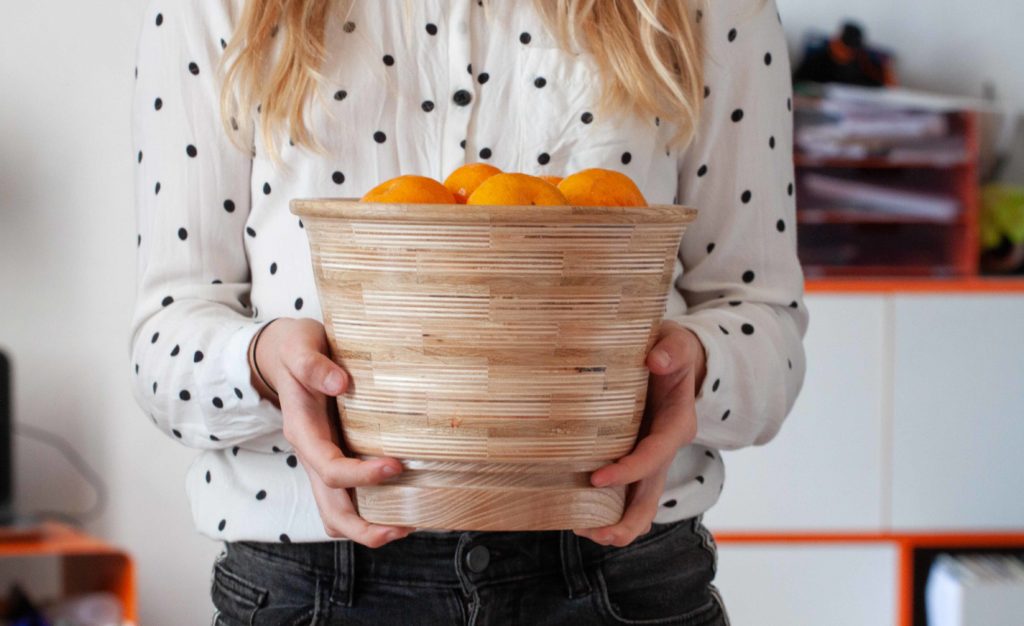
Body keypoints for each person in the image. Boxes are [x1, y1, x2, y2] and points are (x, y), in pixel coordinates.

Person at [129, 0, 809, 623]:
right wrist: (261, 364)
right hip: (311, 582)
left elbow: (763, 323)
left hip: (615, 577)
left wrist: (690, 374)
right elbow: (165, 336)